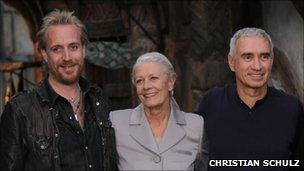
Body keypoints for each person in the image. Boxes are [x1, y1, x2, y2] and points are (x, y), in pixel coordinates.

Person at [0, 10, 118, 170]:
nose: (67, 57)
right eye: (57, 49)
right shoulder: (20, 110)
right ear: (44, 54)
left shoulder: (98, 99)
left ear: (83, 50)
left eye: (73, 47)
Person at [195, 27, 304, 171]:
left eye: (264, 56)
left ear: (271, 60)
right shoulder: (212, 103)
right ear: (232, 62)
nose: (257, 66)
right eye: (248, 57)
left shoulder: (291, 108)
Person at [110, 52, 209, 170]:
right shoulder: (116, 123)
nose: (146, 86)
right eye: (139, 81)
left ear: (171, 82)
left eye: (153, 78)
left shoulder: (195, 125)